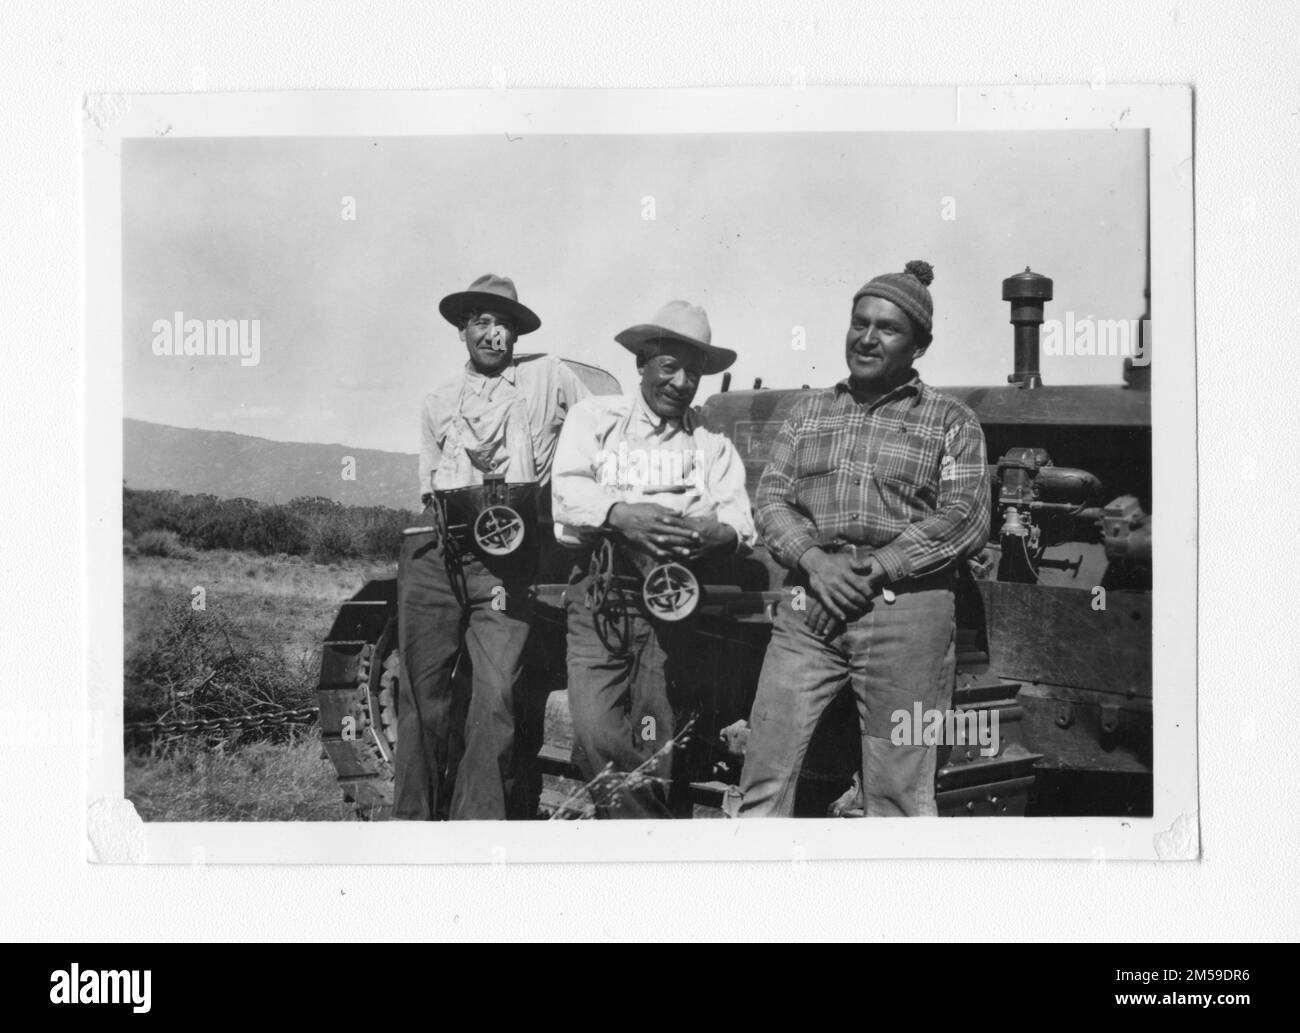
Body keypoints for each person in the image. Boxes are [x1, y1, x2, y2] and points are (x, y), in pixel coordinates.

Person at [738, 261, 990, 817]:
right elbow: (772, 500)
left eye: (887, 328)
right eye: (859, 323)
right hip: (810, 607)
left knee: (897, 793)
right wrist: (817, 564)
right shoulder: (809, 413)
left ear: (918, 347)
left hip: (907, 614)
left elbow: (965, 518)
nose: (867, 338)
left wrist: (869, 570)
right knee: (764, 775)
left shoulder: (950, 421)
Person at [395, 273, 589, 820]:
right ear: (463, 331)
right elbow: (429, 486)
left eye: (504, 323)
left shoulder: (550, 379)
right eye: (482, 322)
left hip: (509, 559)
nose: (494, 335)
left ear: (517, 335)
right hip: (439, 555)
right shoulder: (437, 402)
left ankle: (478, 837)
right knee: (423, 698)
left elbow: (602, 424)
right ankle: (411, 833)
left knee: (497, 697)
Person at [551, 300, 756, 817]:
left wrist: (718, 534)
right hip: (601, 596)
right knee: (597, 730)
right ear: (641, 363)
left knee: (660, 740)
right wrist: (621, 513)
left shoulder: (712, 444)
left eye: (693, 372)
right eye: (669, 366)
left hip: (675, 606)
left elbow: (742, 523)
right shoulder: (595, 418)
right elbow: (567, 495)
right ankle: (653, 837)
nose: (682, 382)